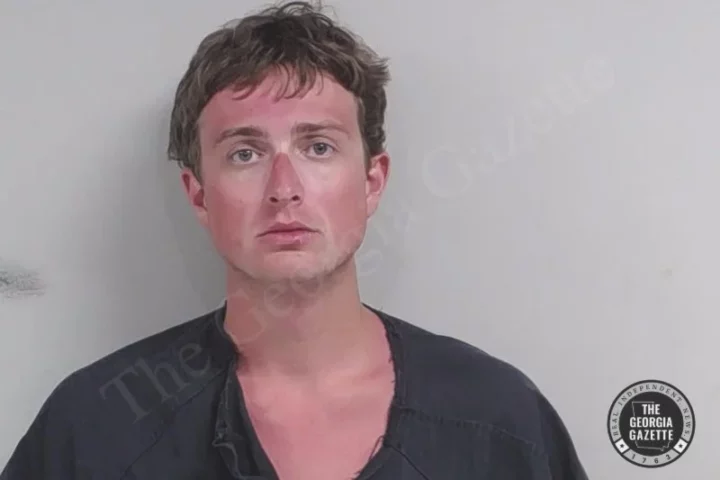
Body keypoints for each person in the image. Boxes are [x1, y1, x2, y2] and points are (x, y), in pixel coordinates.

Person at [1, 1, 589, 479]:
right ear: (199, 195)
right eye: (245, 153)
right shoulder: (97, 430)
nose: (284, 189)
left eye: (318, 147)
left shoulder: (498, 420)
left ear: (372, 181)